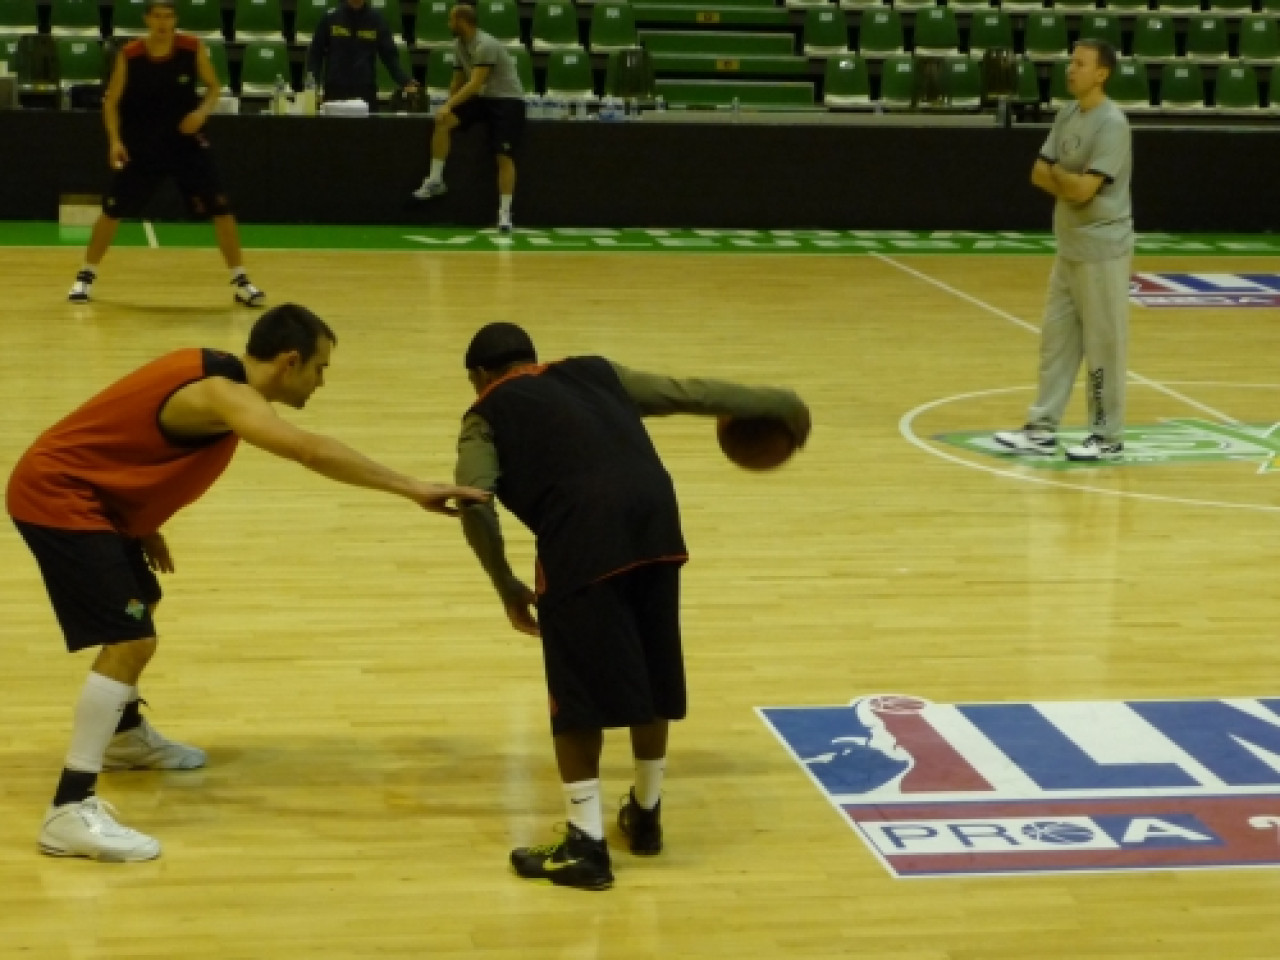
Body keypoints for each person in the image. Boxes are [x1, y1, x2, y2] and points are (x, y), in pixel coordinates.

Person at [7, 304, 487, 862]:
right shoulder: (224, 396)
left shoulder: (208, 369)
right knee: (130, 637)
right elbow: (309, 450)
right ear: (289, 361)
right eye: (320, 368)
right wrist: (412, 488)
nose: (322, 381)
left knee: (143, 602)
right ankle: (69, 809)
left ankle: (123, 738)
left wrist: (144, 519)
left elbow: (124, 435)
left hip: (98, 500)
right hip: (60, 499)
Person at [453, 322, 810, 890]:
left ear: (478, 377)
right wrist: (780, 403)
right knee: (651, 672)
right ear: (532, 358)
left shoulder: (485, 413)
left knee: (575, 698)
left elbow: (474, 503)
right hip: (657, 525)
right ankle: (645, 815)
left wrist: (506, 585)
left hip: (582, 537)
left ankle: (586, 845)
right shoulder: (597, 372)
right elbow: (693, 392)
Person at [67, 0, 266, 307]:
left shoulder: (191, 47)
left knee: (222, 209)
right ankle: (85, 277)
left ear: (175, 19)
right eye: (157, 16)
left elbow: (214, 88)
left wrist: (201, 113)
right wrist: (114, 141)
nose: (162, 22)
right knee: (112, 211)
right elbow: (111, 103)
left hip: (187, 145)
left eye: (168, 16)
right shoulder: (130, 55)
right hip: (142, 146)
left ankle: (241, 281)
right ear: (147, 20)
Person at [993, 39, 1133, 463]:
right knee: (1056, 343)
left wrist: (1061, 177)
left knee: (1103, 346)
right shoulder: (1068, 114)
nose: (1069, 69)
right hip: (1069, 249)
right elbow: (1038, 173)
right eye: (1070, 61)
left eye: (1079, 63)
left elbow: (1084, 189)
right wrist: (1063, 178)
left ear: (1101, 73)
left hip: (1102, 251)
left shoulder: (1112, 124)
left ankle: (1106, 436)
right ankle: (1041, 427)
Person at [411, 3, 525, 234]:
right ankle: (435, 180)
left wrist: (448, 105)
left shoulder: (486, 45)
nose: (448, 24)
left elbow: (475, 83)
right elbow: (458, 81)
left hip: (507, 101)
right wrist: (449, 108)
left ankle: (504, 214)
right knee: (443, 122)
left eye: (450, 20)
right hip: (484, 100)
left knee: (503, 156)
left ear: (462, 21)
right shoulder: (458, 45)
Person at [306, 0, 420, 112]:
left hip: (365, 89)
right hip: (335, 88)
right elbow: (316, 53)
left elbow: (390, 56)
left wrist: (405, 81)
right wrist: (312, 84)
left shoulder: (377, 19)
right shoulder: (330, 17)